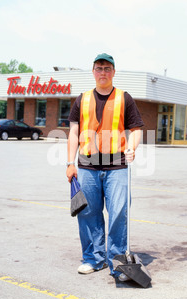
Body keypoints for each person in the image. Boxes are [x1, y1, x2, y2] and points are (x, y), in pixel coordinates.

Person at [66, 53, 144, 281]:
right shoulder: (82, 99)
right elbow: (73, 132)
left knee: (119, 213)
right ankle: (93, 259)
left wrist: (132, 147)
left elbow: (136, 128)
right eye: (99, 68)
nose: (103, 72)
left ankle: (118, 264)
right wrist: (70, 163)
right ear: (93, 71)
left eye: (107, 68)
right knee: (88, 213)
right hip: (87, 166)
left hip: (117, 166)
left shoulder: (124, 98)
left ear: (113, 72)